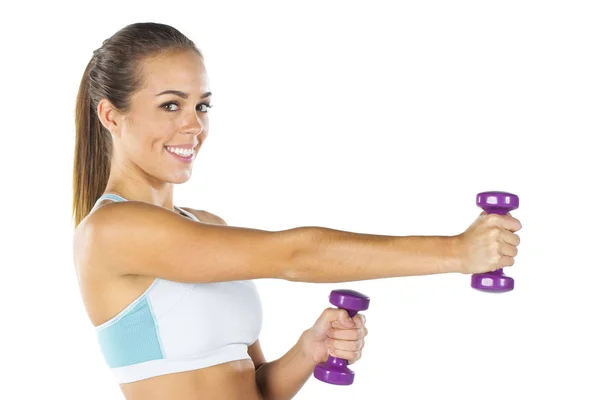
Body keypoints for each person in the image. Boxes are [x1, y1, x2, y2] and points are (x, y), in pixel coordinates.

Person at [72, 22, 521, 400]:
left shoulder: (207, 226)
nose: (194, 125)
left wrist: (308, 350)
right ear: (111, 116)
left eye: (201, 105)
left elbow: (257, 387)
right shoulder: (112, 230)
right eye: (171, 105)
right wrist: (457, 253)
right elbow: (294, 256)